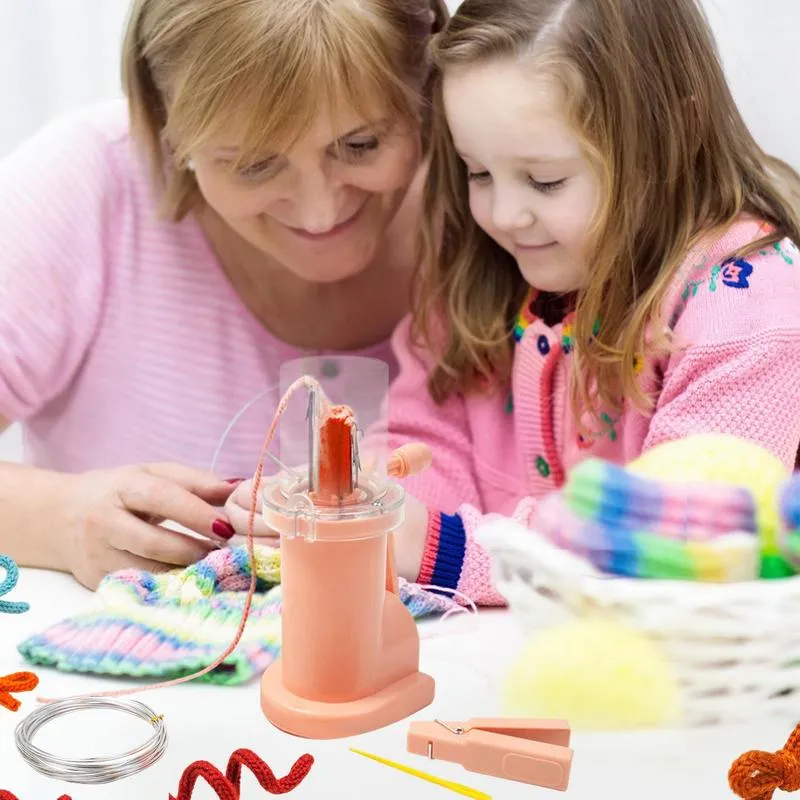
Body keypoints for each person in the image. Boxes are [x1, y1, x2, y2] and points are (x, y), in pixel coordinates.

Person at [0, 0, 447, 589]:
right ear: (168, 127)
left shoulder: (503, 209)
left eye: (360, 145)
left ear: (427, 88)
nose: (319, 212)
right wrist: (59, 517)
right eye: (254, 165)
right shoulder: (85, 189)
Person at [368, 0, 800, 602]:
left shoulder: (748, 298)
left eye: (545, 180)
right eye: (477, 172)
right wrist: (369, 506)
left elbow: (676, 540)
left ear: (673, 135)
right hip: (492, 661)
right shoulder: (486, 268)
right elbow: (429, 441)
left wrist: (437, 545)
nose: (504, 215)